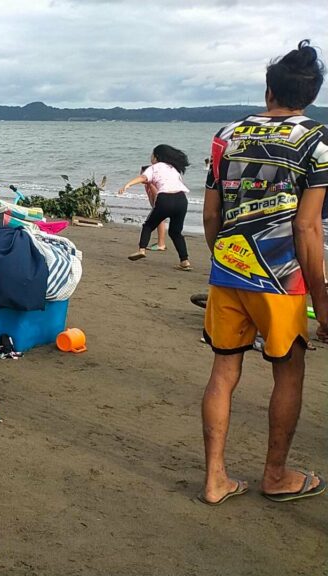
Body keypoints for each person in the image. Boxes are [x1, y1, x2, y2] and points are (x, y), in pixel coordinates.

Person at [199, 40, 328, 506]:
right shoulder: (318, 139)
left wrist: (224, 260)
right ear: (309, 95)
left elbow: (211, 215)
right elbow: (307, 226)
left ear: (269, 88)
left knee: (223, 371)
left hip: (229, 270)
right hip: (281, 279)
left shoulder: (226, 135)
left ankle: (215, 479)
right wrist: (323, 300)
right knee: (288, 372)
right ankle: (275, 475)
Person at [119, 145, 191, 270]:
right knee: (175, 232)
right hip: (181, 200)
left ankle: (142, 250)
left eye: (152, 155)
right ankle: (184, 261)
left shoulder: (154, 168)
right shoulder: (173, 168)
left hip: (165, 199)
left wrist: (127, 185)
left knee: (148, 225)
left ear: (157, 157)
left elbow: (143, 178)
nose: (150, 157)